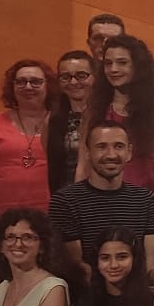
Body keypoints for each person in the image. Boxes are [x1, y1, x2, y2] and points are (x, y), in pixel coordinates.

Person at [50, 120, 154, 278]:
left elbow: (152, 263)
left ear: (129, 152)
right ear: (87, 152)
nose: (111, 155)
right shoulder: (65, 201)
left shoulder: (145, 200)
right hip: (86, 289)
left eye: (119, 146)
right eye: (101, 147)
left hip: (136, 289)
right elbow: (75, 267)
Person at [79, 34, 154, 192]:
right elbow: (83, 164)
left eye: (122, 63)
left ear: (138, 67)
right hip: (100, 197)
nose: (113, 69)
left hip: (144, 198)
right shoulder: (94, 109)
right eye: (108, 63)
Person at [0, 58, 53, 216]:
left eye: (36, 82)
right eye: (21, 82)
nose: (28, 87)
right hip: (2, 217)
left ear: (49, 86)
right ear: (11, 87)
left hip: (52, 215)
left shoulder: (59, 122)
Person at [50, 49, 96, 197]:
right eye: (65, 77)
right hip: (67, 199)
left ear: (95, 77)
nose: (73, 82)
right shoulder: (53, 120)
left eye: (81, 75)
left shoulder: (106, 116)